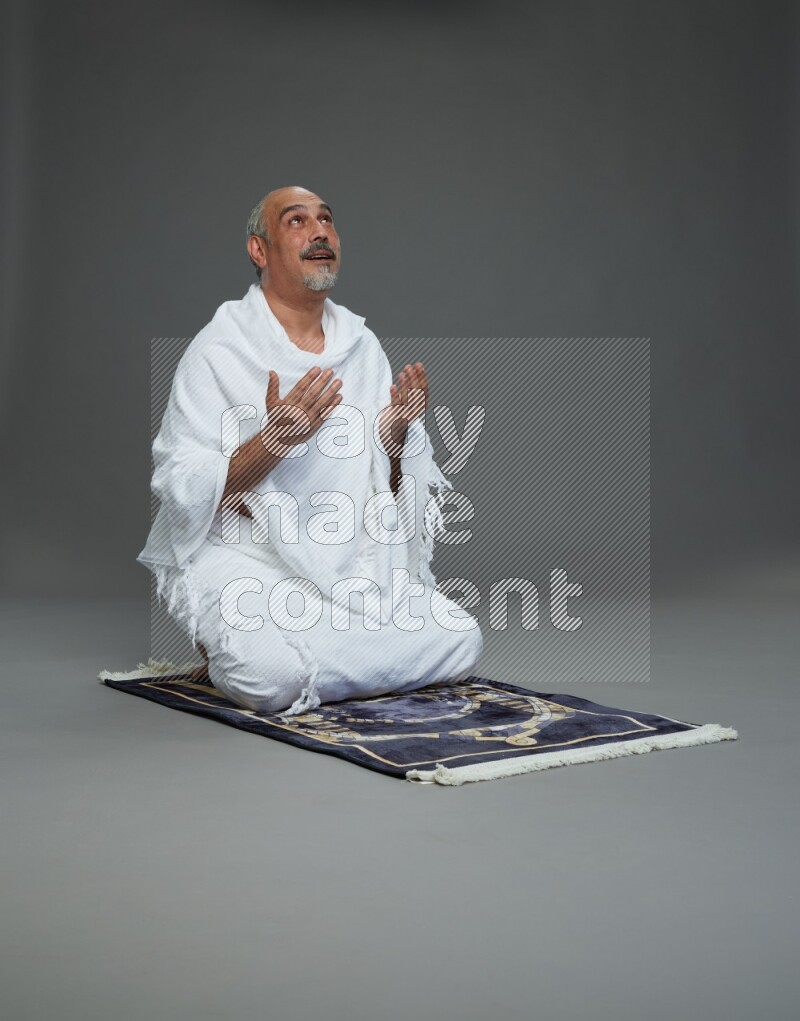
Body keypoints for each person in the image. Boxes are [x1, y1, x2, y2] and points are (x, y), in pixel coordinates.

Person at [137, 186, 483, 716]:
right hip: (247, 558)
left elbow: (382, 494)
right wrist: (274, 440)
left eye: (326, 220)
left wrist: (394, 438)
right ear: (260, 250)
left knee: (461, 636)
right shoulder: (219, 350)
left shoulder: (361, 346)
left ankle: (317, 657)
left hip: (348, 564)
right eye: (297, 222)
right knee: (272, 679)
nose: (320, 232)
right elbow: (181, 487)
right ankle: (302, 656)